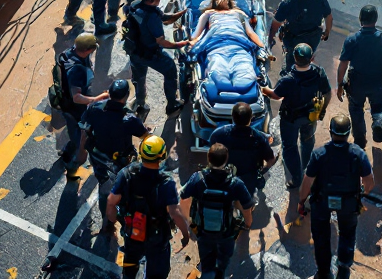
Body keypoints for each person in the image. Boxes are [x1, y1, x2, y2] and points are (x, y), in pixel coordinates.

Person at [297, 115, 374, 279]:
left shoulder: (319, 154)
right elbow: (369, 182)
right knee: (347, 232)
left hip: (322, 201)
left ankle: (324, 271)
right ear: (349, 133)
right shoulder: (358, 154)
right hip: (348, 202)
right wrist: (362, 193)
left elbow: (307, 181)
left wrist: (301, 202)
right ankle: (344, 266)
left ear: (331, 131)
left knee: (320, 235)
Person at [106, 135, 190, 279]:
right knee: (157, 273)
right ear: (162, 156)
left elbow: (111, 202)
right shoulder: (166, 183)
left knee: (130, 264)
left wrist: (113, 222)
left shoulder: (127, 174)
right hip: (156, 238)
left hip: (133, 233)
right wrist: (185, 234)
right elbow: (175, 214)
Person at [76, 79, 151, 220]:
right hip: (120, 163)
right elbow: (146, 136)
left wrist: (81, 152)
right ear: (127, 96)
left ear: (109, 93)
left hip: (98, 159)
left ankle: (107, 220)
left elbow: (84, 131)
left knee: (104, 187)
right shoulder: (130, 119)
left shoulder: (94, 108)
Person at [261, 43, 331, 189]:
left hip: (290, 119)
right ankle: (306, 167)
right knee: (307, 141)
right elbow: (327, 93)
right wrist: (322, 110)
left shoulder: (288, 80)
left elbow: (275, 95)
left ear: (294, 58)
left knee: (289, 147)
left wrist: (263, 89)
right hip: (310, 116)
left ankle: (297, 177)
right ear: (311, 58)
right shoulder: (319, 73)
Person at [180, 143, 254, 279]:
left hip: (203, 232)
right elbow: (247, 207)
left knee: (207, 263)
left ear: (208, 158)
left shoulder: (198, 179)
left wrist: (189, 223)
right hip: (226, 234)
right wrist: (248, 223)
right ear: (226, 160)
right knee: (222, 265)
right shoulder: (235, 183)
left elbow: (183, 200)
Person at [336, 5, 382, 148]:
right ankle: (377, 121)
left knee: (356, 108)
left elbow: (343, 65)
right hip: (378, 83)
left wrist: (340, 85)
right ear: (376, 20)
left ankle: (360, 139)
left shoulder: (352, 40)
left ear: (360, 19)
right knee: (379, 106)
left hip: (357, 84)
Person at [124, 0, 187, 115]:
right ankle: (172, 104)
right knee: (170, 68)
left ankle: (140, 102)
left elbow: (166, 19)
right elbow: (162, 42)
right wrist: (179, 44)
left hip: (134, 50)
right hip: (149, 53)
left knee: (139, 77)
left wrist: (182, 13)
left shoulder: (135, 5)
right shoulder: (152, 17)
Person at [54, 33, 108, 174]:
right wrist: (97, 98)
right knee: (79, 133)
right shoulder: (76, 70)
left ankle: (70, 148)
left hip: (67, 101)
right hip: (74, 108)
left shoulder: (69, 53)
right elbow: (77, 97)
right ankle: (73, 158)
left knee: (74, 129)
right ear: (86, 50)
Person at [269, 0, 333, 72]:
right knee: (307, 55)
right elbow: (328, 17)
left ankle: (290, 76)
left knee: (291, 63)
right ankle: (306, 68)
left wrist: (270, 39)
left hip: (294, 40)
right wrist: (327, 31)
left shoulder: (287, 3)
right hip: (313, 38)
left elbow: (276, 24)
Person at [208, 102, 276, 196]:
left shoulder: (218, 135)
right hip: (248, 183)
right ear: (250, 119)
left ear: (232, 117)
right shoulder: (259, 138)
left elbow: (211, 157)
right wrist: (262, 171)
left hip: (224, 180)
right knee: (247, 205)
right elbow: (271, 160)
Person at [190, 0, 264, 48]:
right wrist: (192, 42)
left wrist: (261, 46)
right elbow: (197, 34)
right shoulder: (208, 13)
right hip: (217, 37)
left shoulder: (238, 12)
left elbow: (250, 32)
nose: (222, 0)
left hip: (237, 37)